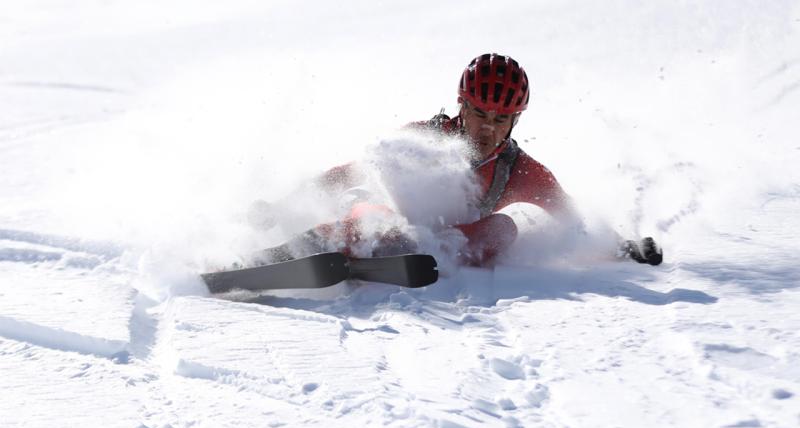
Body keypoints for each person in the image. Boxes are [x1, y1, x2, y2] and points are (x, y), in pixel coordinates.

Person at [251, 53, 662, 267]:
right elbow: (349, 173)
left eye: (501, 120)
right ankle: (279, 258)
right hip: (384, 224)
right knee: (370, 214)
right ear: (461, 107)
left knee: (504, 229)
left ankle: (419, 257)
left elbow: (576, 225)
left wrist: (626, 249)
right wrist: (282, 205)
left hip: (449, 248)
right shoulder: (422, 138)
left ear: (516, 120)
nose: (489, 129)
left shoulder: (521, 172)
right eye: (480, 114)